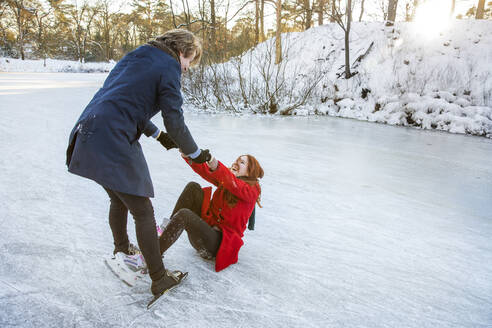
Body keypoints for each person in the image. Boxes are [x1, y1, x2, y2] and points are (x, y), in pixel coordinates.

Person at [65, 29, 211, 297]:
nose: (188, 68)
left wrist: (158, 135)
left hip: (89, 128)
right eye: (190, 61)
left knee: (118, 198)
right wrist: (195, 153)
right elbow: (175, 120)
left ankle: (122, 250)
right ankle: (159, 278)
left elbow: (124, 100)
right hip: (113, 137)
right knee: (143, 210)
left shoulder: (139, 55)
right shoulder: (169, 66)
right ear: (183, 51)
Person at [157, 153, 264, 272]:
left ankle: (153, 256)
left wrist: (215, 163)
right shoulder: (228, 180)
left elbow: (234, 184)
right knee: (193, 187)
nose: (236, 163)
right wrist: (188, 156)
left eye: (242, 162)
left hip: (215, 246)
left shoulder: (252, 190)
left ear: (250, 172)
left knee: (184, 215)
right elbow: (206, 171)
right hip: (204, 234)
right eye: (237, 160)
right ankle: (164, 232)